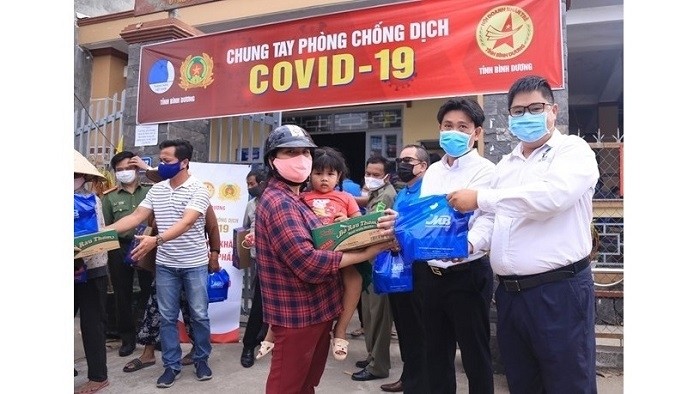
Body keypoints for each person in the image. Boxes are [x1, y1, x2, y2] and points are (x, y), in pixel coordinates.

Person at [446, 75, 600, 393]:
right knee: (521, 381)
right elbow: (490, 218)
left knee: (567, 383)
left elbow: (551, 197)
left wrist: (480, 197)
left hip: (559, 292)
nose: (526, 115)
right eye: (518, 111)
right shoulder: (506, 164)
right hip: (511, 297)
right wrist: (469, 243)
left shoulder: (572, 151)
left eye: (535, 107)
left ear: (553, 111)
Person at [254, 125, 396, 393]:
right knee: (288, 386)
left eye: (305, 152)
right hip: (298, 315)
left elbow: (328, 238)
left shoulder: (296, 199)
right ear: (272, 160)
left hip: (316, 311)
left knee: (306, 383)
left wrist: (372, 229)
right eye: (289, 152)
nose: (300, 159)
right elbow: (307, 262)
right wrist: (366, 252)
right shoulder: (281, 203)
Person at [105, 139, 216, 388]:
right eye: (161, 161)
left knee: (199, 314)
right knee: (166, 317)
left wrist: (157, 239)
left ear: (184, 162)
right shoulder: (157, 190)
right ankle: (171, 366)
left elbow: (187, 223)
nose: (162, 165)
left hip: (194, 264)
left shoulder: (198, 189)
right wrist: (102, 232)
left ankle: (201, 359)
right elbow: (135, 217)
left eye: (167, 161)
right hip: (166, 265)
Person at [418, 97, 496, 394]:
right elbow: (427, 218)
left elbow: (488, 220)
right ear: (440, 128)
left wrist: (465, 246)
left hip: (467, 274)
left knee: (475, 354)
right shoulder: (434, 171)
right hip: (431, 275)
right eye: (448, 125)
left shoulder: (486, 171)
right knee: (436, 354)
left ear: (476, 133)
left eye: (462, 126)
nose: (454, 131)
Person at [123, 202, 221, 373]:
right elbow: (150, 226)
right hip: (166, 264)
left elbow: (212, 228)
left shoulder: (197, 196)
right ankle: (150, 354)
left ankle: (199, 353)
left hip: (193, 264)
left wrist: (214, 254)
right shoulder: (158, 196)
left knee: (195, 313)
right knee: (156, 309)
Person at [380, 144, 430, 393]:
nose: (402, 164)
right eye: (400, 159)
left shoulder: (429, 190)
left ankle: (418, 382)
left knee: (419, 329)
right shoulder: (403, 193)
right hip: (400, 269)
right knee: (404, 327)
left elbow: (428, 227)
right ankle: (408, 376)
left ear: (423, 165)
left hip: (421, 270)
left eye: (408, 160)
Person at [101, 151, 154, 358]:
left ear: (137, 169)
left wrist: (148, 168)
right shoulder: (109, 197)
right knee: (122, 294)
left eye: (128, 168)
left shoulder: (151, 191)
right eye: (120, 170)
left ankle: (150, 336)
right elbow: (105, 226)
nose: (124, 173)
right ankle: (127, 338)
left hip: (146, 246)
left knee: (149, 291)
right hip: (119, 247)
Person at [352, 155, 396, 382]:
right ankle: (371, 356)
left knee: (378, 316)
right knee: (369, 313)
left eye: (376, 175)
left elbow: (375, 228)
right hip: (370, 262)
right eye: (368, 173)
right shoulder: (375, 194)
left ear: (386, 176)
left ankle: (379, 366)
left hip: (380, 261)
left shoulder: (387, 195)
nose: (370, 178)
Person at [74, 150, 110, 394]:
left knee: (92, 323)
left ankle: (98, 376)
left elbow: (97, 236)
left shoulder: (91, 200)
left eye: (75, 175)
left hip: (91, 268)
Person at [240, 169, 269, 368]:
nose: (250, 188)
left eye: (252, 184)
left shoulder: (276, 201)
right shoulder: (251, 205)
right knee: (258, 306)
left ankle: (266, 336)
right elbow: (244, 228)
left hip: (283, 261)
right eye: (248, 184)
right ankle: (248, 346)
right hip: (261, 261)